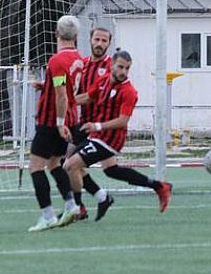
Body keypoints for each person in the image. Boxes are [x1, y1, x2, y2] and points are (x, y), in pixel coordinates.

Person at [63, 50, 173, 218]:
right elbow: (88, 97)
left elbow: (123, 121)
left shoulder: (129, 91)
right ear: (111, 65)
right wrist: (66, 100)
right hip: (97, 135)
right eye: (120, 67)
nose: (123, 72)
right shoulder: (103, 81)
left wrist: (97, 126)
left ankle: (78, 208)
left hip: (110, 140)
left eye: (127, 68)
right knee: (110, 170)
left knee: (70, 165)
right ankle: (158, 187)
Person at [26, 15, 84, 232]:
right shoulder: (77, 58)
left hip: (53, 121)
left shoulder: (57, 60)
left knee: (35, 167)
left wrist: (59, 123)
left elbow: (61, 95)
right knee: (54, 164)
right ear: (76, 37)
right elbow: (65, 87)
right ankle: (71, 205)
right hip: (69, 118)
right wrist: (45, 85)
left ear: (57, 34)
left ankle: (48, 215)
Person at [64, 26, 114, 221]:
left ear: (109, 43)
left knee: (72, 164)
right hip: (83, 124)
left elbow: (92, 97)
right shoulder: (83, 64)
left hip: (101, 128)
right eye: (97, 40)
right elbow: (70, 87)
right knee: (66, 162)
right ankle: (99, 198)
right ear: (90, 40)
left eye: (104, 41)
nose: (100, 44)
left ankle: (80, 207)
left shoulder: (110, 67)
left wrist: (68, 100)